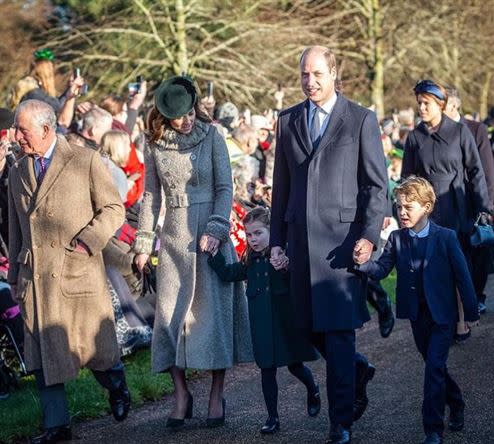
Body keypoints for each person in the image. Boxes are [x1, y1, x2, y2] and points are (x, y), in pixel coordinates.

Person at [270, 46, 387, 444]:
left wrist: (369, 236)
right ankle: (357, 369)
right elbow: (280, 189)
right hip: (300, 247)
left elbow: (375, 186)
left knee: (338, 334)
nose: (310, 81)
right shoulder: (287, 120)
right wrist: (276, 242)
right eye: (304, 74)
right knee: (307, 328)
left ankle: (341, 423)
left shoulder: (360, 119)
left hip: (342, 248)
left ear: (334, 73)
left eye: (317, 74)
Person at [7, 99, 130, 444]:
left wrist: (87, 243)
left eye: (22, 130)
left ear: (46, 130)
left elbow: (113, 209)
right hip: (36, 278)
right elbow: (15, 227)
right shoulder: (17, 172)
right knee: (44, 355)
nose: (17, 136)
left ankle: (117, 385)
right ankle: (56, 426)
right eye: (17, 129)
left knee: (93, 349)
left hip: (76, 272)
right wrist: (16, 276)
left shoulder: (83, 160)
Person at [133, 76, 252, 429]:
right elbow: (151, 196)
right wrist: (142, 243)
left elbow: (224, 187)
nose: (185, 121)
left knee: (213, 319)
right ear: (164, 115)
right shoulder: (154, 144)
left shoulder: (212, 135)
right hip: (173, 240)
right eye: (176, 116)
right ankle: (181, 393)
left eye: (188, 113)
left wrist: (217, 230)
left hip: (209, 235)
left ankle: (216, 395)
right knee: (169, 319)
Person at [356, 177, 478, 444]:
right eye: (399, 207)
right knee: (436, 368)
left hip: (443, 316)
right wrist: (363, 263)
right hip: (416, 316)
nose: (402, 212)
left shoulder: (445, 237)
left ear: (427, 207)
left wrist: (468, 315)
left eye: (408, 207)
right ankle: (456, 402)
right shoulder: (397, 239)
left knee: (434, 368)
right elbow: (381, 269)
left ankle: (433, 430)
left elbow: (462, 276)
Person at [208, 206, 320, 434]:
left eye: (258, 233)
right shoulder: (250, 262)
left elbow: (297, 278)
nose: (253, 239)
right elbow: (229, 274)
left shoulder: (282, 257)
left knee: (295, 366)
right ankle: (272, 417)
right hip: (261, 326)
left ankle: (313, 388)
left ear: (272, 231)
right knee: (267, 370)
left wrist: (288, 265)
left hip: (285, 322)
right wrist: (214, 255)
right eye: (249, 235)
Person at [402, 80, 491, 342]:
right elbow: (408, 176)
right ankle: (440, 321)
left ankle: (463, 319)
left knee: (457, 267)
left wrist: (483, 207)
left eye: (425, 103)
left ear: (440, 104)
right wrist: (407, 210)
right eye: (418, 103)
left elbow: (475, 171)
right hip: (428, 212)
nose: (421, 108)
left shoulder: (460, 133)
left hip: (457, 208)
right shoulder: (415, 137)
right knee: (432, 268)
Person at [444, 87, 494, 315]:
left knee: (478, 250)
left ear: (453, 105)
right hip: (448, 204)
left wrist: (487, 205)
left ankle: (478, 295)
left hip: (474, 202)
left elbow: (486, 170)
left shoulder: (475, 129)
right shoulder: (430, 131)